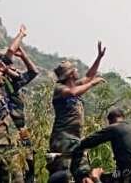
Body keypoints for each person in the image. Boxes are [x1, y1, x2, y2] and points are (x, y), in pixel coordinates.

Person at [46, 42, 108, 183]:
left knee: (83, 174)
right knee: (63, 174)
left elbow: (89, 76)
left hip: (76, 139)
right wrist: (92, 84)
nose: (76, 70)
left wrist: (99, 58)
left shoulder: (76, 85)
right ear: (69, 74)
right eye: (74, 69)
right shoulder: (60, 88)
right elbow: (73, 92)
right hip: (62, 139)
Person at [0, 25, 38, 182]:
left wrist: (23, 55)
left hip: (21, 128)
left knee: (30, 162)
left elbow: (33, 72)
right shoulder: (1, 84)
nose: (11, 66)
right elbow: (10, 51)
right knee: (14, 169)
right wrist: (20, 35)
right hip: (9, 130)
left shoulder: (13, 82)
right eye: (7, 65)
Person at [70, 108, 131, 183]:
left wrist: (74, 144)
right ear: (123, 117)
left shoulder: (114, 128)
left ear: (110, 121)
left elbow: (89, 141)